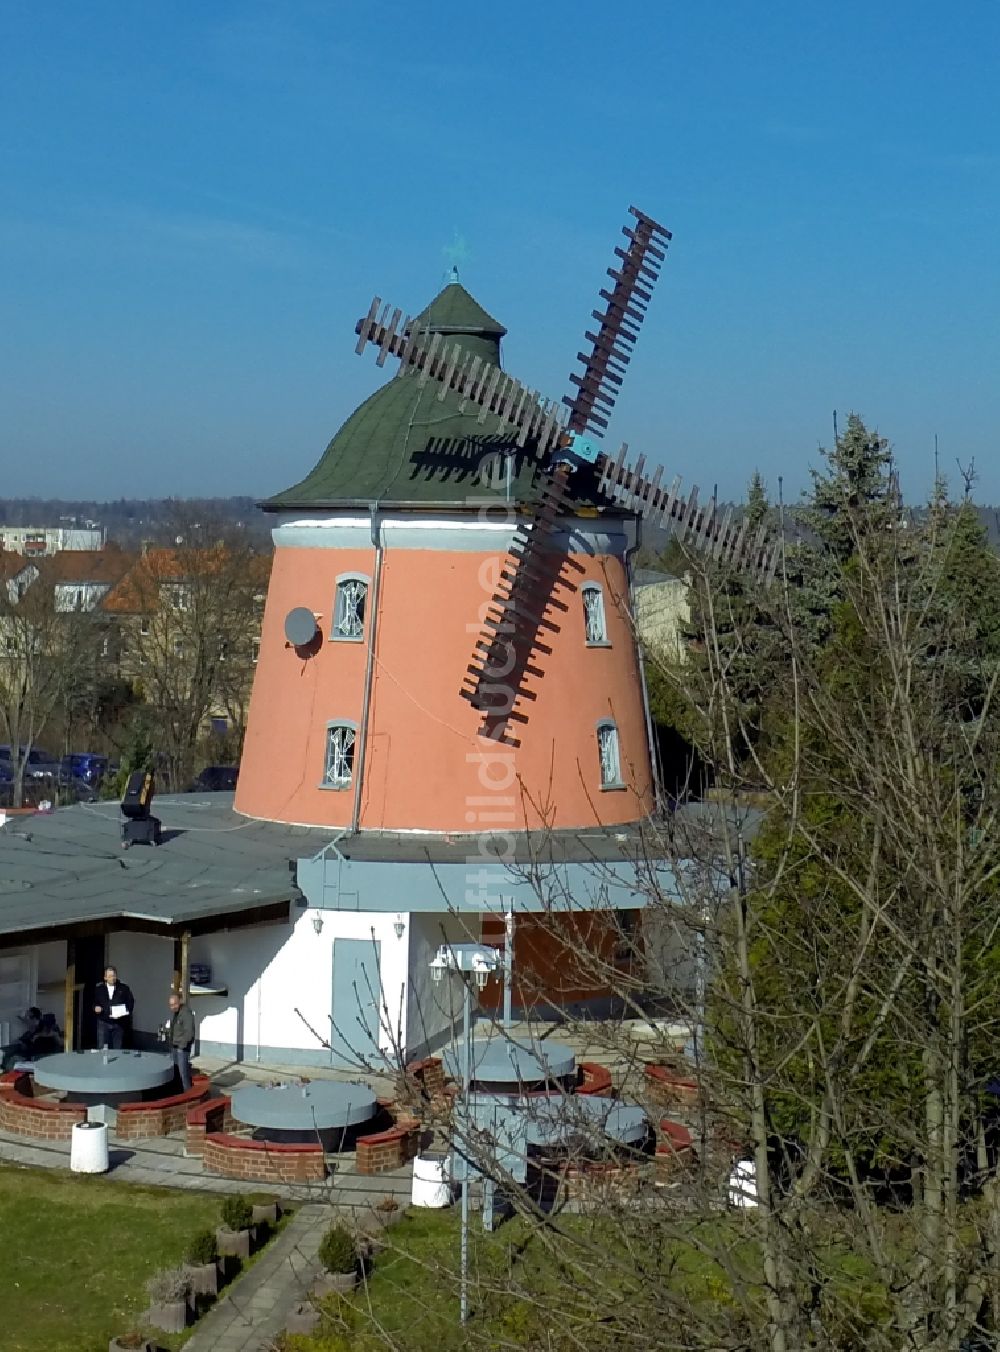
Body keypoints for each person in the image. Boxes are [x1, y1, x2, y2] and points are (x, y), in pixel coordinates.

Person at [93, 965, 134, 1049]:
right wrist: (96, 1008)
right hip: (103, 1022)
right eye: (110, 976)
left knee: (118, 1049)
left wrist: (125, 1012)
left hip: (119, 1024)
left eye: (114, 976)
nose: (112, 978)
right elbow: (94, 1003)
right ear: (105, 977)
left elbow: (130, 1002)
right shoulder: (99, 989)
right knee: (102, 1049)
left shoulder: (124, 988)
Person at [166, 991, 196, 1091]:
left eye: (175, 1004)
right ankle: (178, 1092)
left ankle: (188, 1094)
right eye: (171, 1005)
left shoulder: (186, 1013)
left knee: (183, 1073)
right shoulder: (176, 1013)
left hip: (182, 1048)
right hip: (175, 1046)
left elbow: (189, 1032)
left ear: (180, 1002)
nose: (173, 1007)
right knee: (175, 1073)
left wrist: (181, 1047)